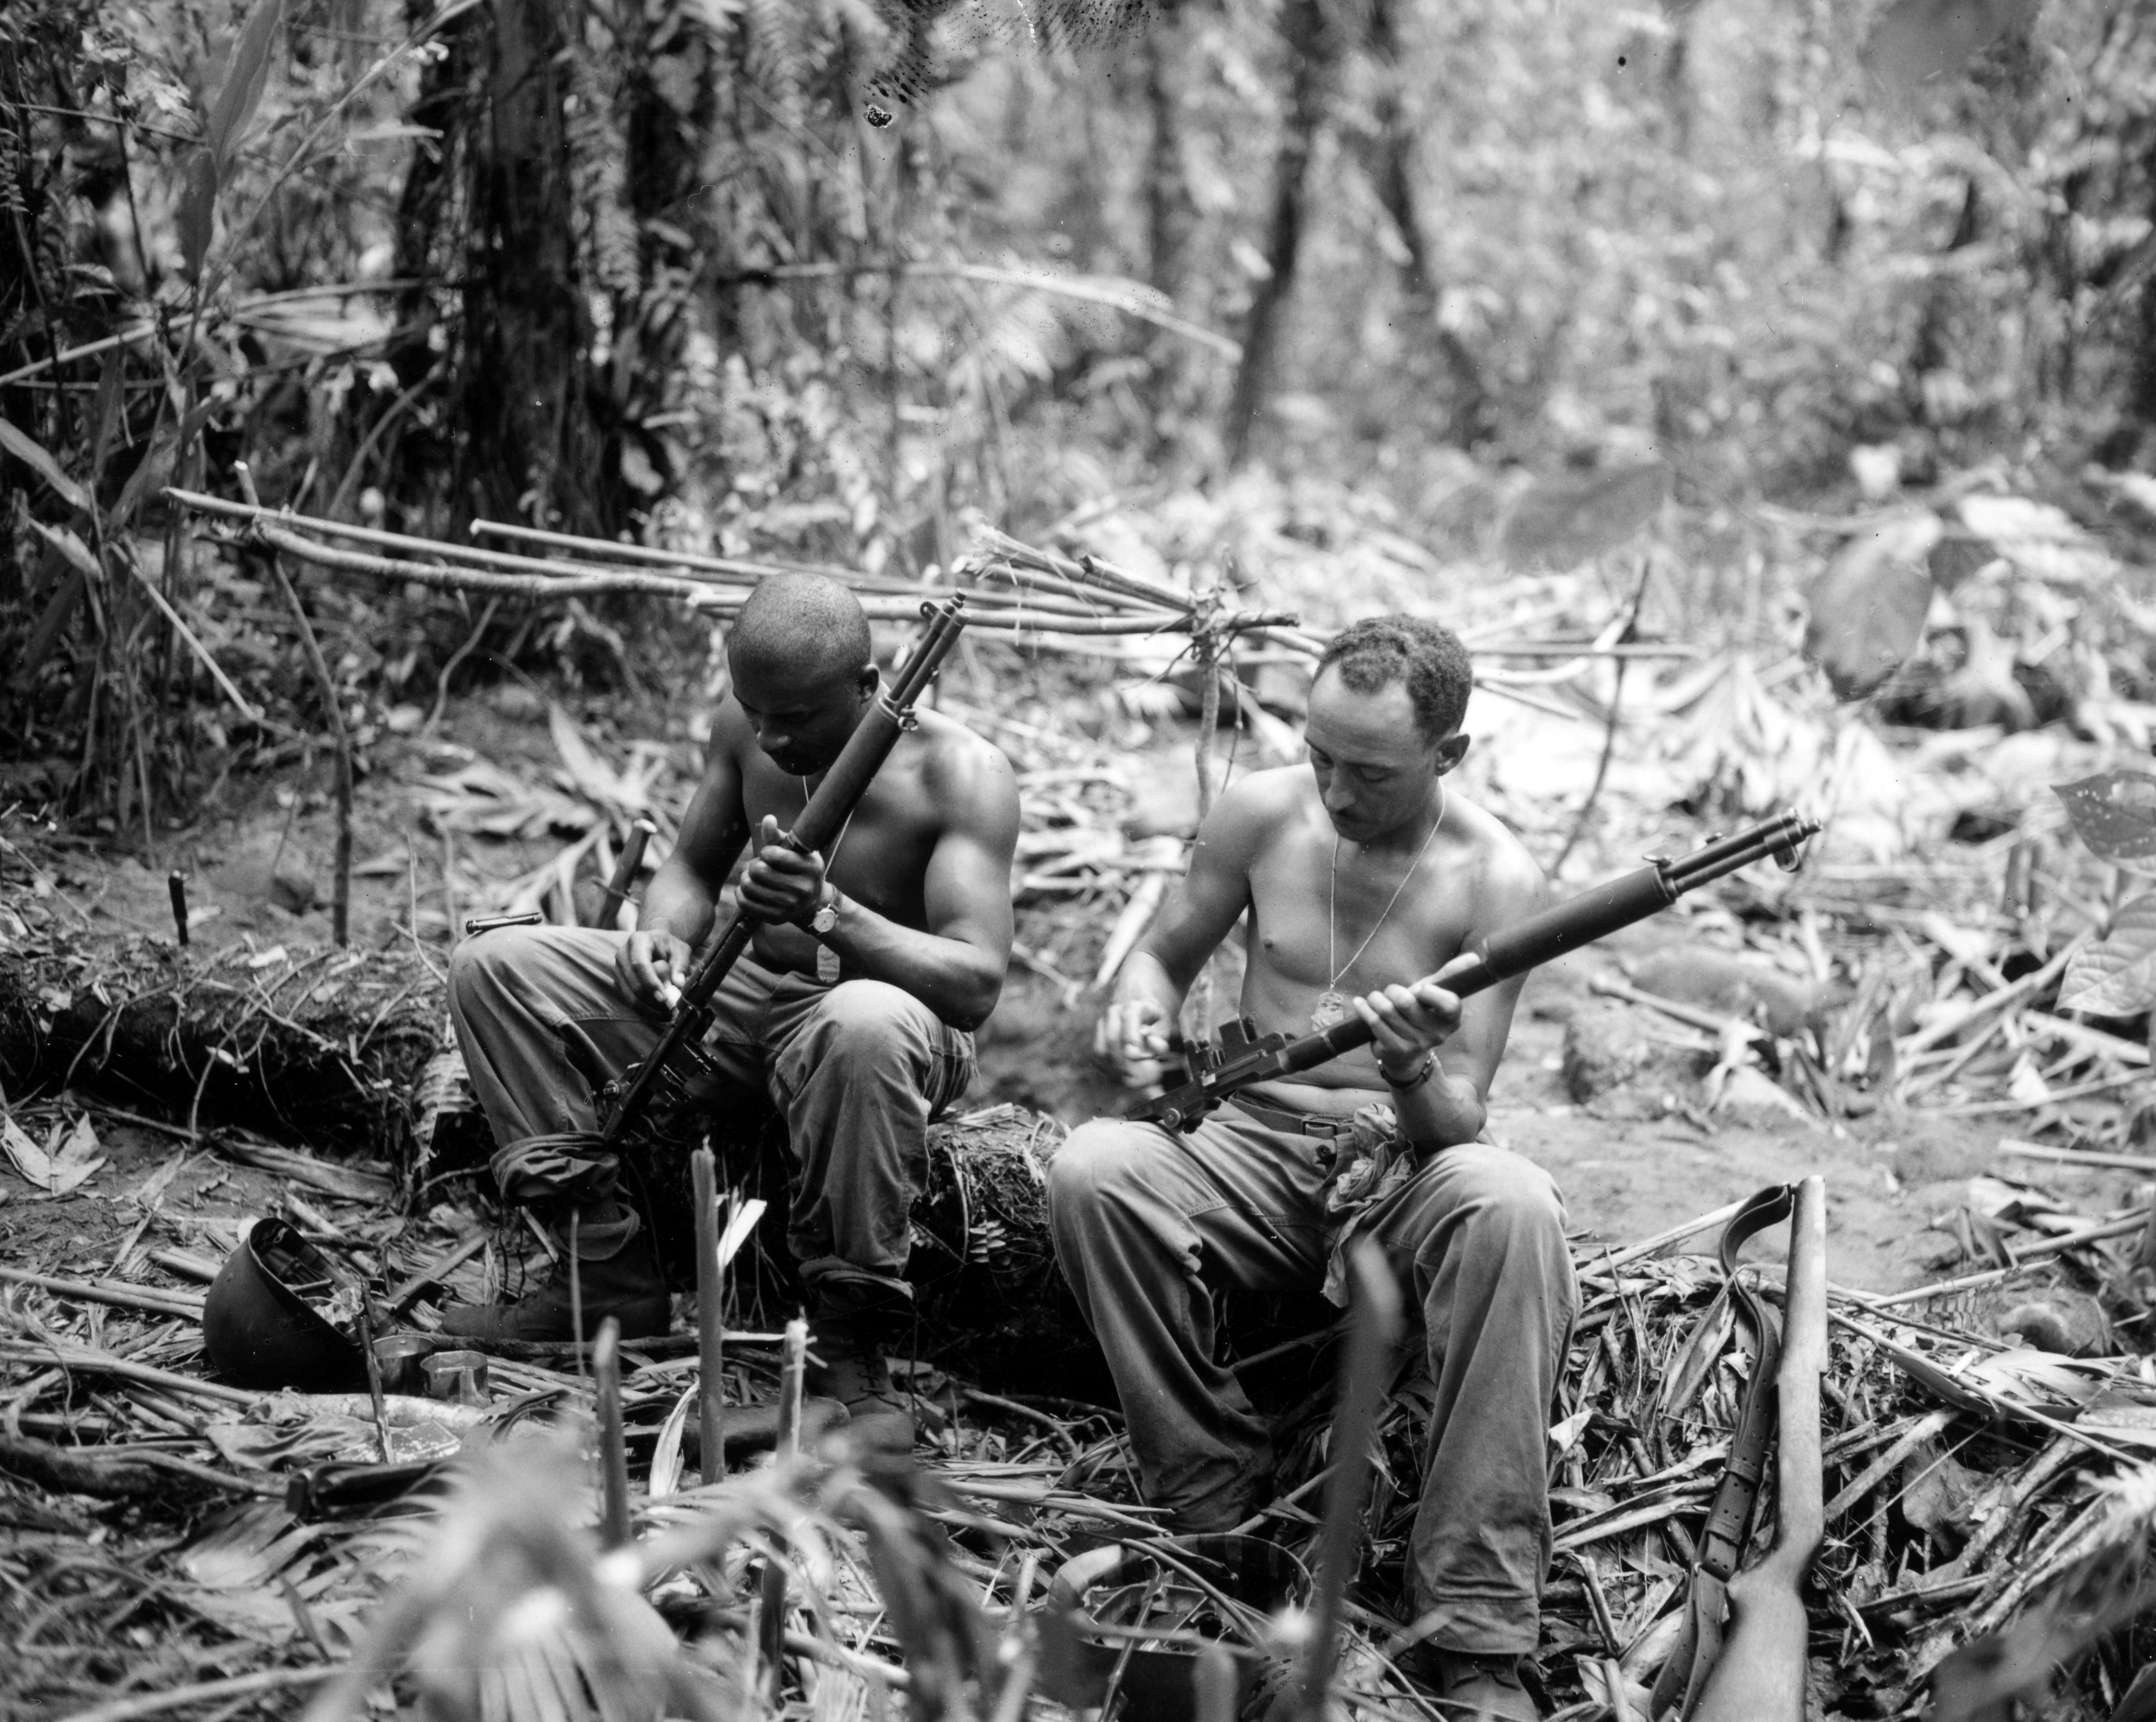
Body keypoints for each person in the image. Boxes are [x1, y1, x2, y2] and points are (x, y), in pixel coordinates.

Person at [1048, 615, 1576, 1721]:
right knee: (1094, 1168)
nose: (1334, 793)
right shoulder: (1261, 812)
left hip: (1396, 1160)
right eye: (1320, 755)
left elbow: (1456, 1128)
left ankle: (1476, 1629)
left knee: (1513, 1205)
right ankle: (1216, 1514)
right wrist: (1139, 1008)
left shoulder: (1493, 878)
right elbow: (1157, 953)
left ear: (1448, 757)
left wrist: (1409, 1067)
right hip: (1243, 1145)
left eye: (1368, 773)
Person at [440, 573, 1021, 1447]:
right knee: (496, 965)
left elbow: (975, 983)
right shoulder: (748, 727)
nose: (770, 737)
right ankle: (604, 1270)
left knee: (857, 1023)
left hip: (883, 1023)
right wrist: (661, 935)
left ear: (869, 691)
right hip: (742, 998)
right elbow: (689, 868)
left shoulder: (961, 776)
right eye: (756, 713)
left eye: (795, 719)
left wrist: (832, 912)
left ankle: (848, 1350)